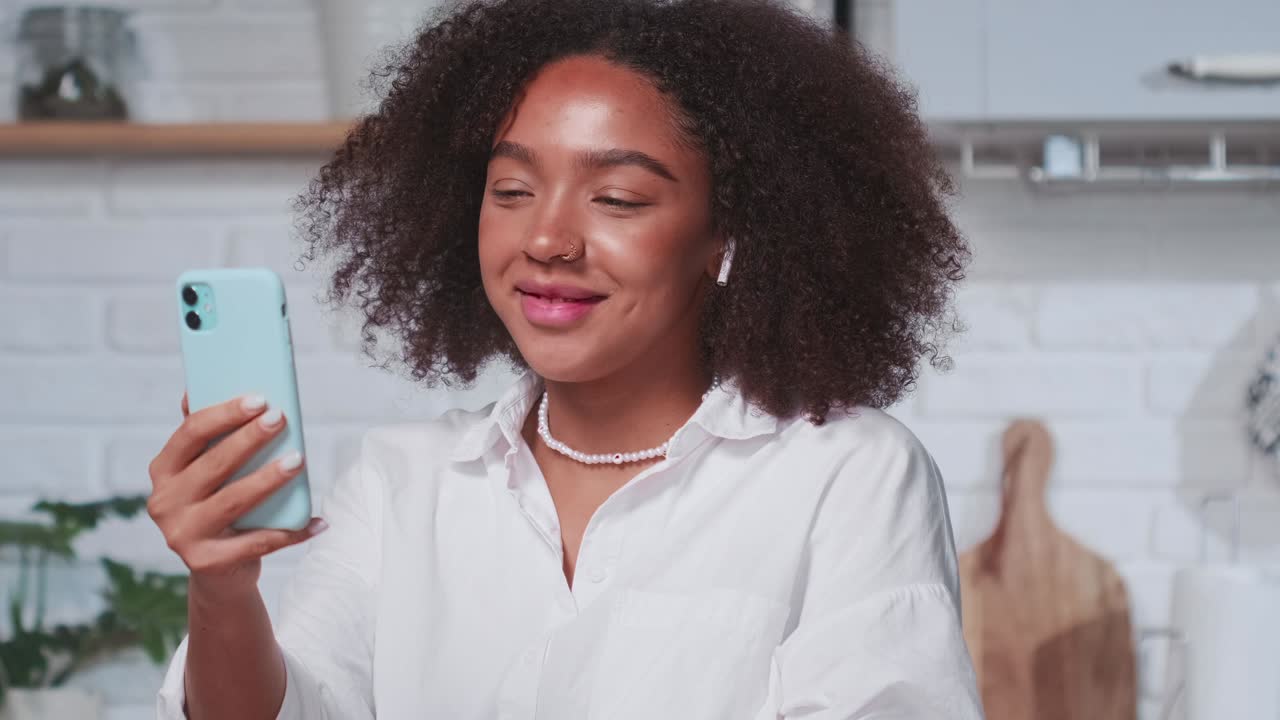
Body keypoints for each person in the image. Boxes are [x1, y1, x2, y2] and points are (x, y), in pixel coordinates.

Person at [149, 0, 982, 717]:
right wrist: (223, 589)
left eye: (616, 198)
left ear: (726, 234)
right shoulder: (402, 482)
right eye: (510, 192)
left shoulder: (846, 476)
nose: (546, 239)